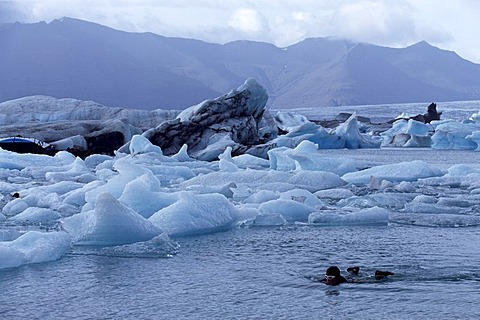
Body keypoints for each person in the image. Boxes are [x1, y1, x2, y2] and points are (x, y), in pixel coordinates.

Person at [320, 266, 394, 285]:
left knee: (372, 281)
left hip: (351, 281)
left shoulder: (342, 281)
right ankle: (354, 271)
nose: (327, 279)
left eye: (330, 278)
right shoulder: (328, 281)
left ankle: (379, 275)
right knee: (351, 276)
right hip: (347, 278)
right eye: (326, 277)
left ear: (337, 277)